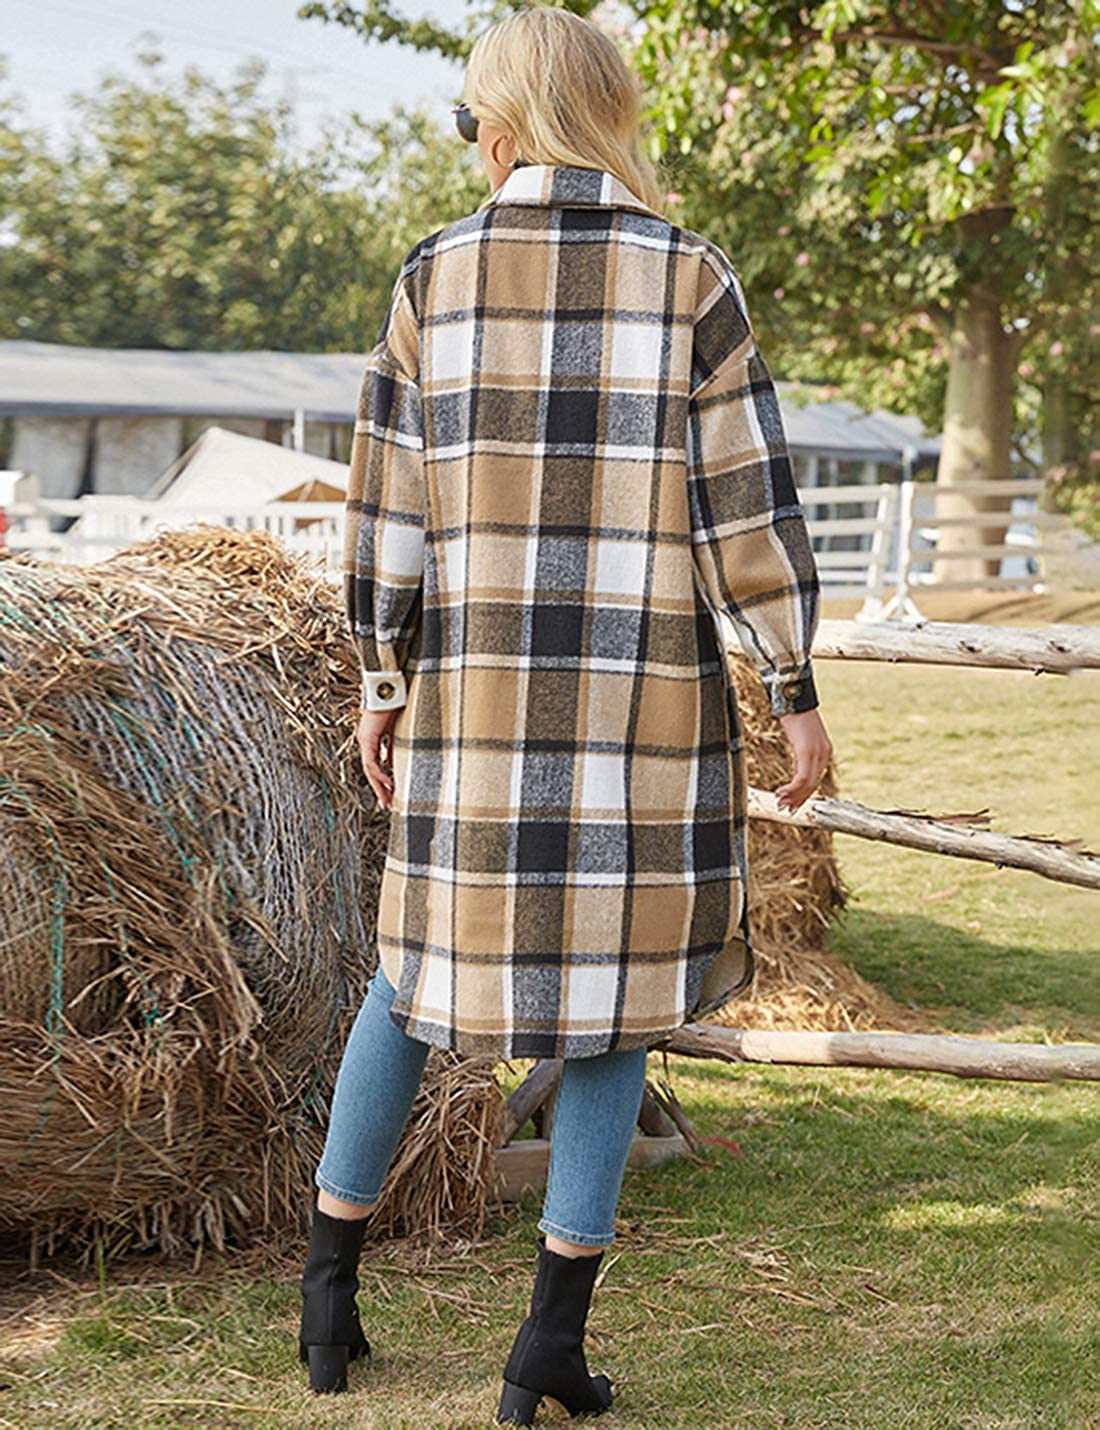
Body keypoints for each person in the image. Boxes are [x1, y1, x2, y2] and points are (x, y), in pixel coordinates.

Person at [298, 6, 833, 1422]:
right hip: (640, 717)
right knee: (612, 1005)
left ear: (508, 126)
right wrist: (793, 684)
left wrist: (380, 678)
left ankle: (326, 1296)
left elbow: (386, 512)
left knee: (409, 977)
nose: (471, 138)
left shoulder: (435, 276)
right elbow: (749, 511)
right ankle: (546, 1343)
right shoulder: (691, 276)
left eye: (472, 115)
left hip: (472, 714)